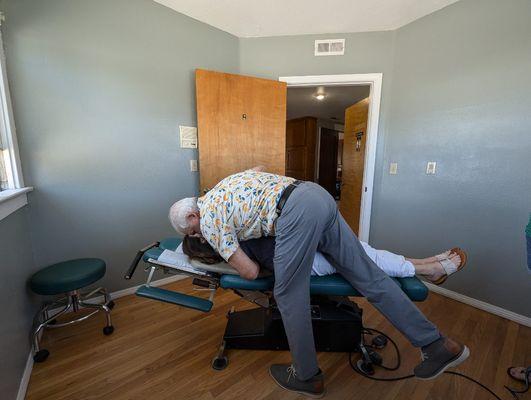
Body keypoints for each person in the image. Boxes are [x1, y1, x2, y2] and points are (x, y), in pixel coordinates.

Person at [169, 168, 470, 397]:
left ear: (194, 215)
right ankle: (436, 344)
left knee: (287, 294)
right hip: (315, 195)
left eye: (192, 231)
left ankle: (306, 375)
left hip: (296, 213)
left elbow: (248, 272)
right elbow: (258, 169)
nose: (197, 236)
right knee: (369, 276)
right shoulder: (223, 184)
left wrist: (229, 255)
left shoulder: (209, 221)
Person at [181, 235, 467, 284]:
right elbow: (253, 272)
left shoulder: (229, 229)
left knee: (365, 249)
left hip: (303, 247)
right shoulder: (229, 249)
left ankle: (424, 264)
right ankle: (426, 269)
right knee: (366, 258)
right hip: (304, 262)